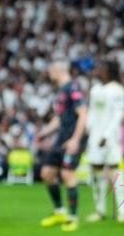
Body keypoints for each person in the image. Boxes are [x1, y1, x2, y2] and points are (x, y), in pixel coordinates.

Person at [36, 60, 88, 232]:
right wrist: (44, 133)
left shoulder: (73, 88)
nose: (49, 73)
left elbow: (83, 114)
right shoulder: (61, 91)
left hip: (73, 138)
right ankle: (60, 212)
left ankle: (73, 218)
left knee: (67, 173)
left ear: (59, 70)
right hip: (61, 138)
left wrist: (75, 140)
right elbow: (60, 119)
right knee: (47, 173)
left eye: (51, 69)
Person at [85, 60, 124, 223]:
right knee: (96, 173)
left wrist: (107, 135)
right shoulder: (95, 89)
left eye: (102, 68)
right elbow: (91, 111)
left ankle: (122, 212)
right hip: (95, 138)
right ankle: (100, 210)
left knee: (116, 173)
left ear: (110, 71)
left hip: (111, 139)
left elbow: (118, 115)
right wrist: (89, 130)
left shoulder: (118, 90)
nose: (98, 71)